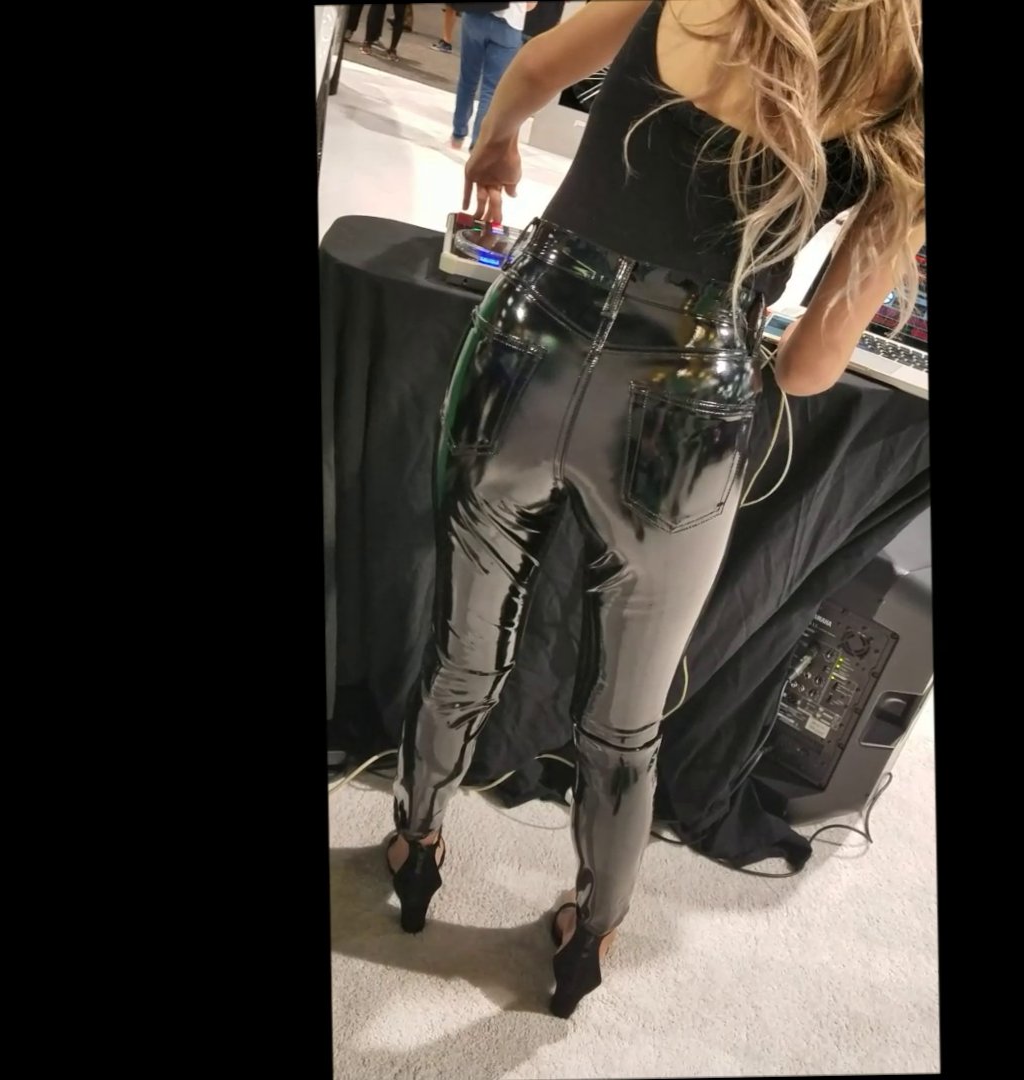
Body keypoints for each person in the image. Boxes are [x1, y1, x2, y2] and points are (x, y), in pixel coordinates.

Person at [385, 0, 925, 1019]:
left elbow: (535, 68)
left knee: (464, 647)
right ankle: (587, 938)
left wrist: (498, 147)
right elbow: (810, 368)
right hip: (690, 404)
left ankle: (415, 848)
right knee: (627, 721)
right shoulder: (902, 100)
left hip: (531, 337)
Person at [448, 2, 537, 150]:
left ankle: (458, 135)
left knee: (467, 79)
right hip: (509, 24)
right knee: (491, 90)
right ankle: (478, 144)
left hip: (476, 15)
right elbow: (530, 5)